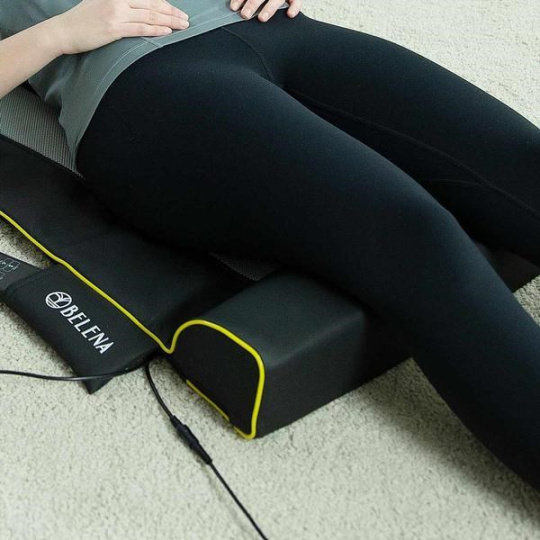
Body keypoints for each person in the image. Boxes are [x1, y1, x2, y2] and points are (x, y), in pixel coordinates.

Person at [1, 0, 539, 495]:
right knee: (412, 234)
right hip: (142, 86)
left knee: (522, 162)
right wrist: (60, 33)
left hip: (273, 28)